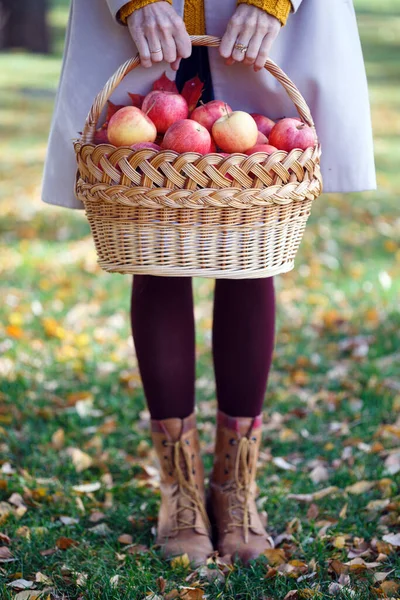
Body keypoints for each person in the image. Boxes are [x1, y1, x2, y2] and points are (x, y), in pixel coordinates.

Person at [42, 0, 376, 566]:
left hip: (258, 18)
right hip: (150, 25)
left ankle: (235, 487)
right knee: (152, 227)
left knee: (249, 233)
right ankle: (180, 490)